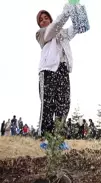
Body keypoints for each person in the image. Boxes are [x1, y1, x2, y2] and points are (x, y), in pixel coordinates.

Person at [36, 4, 79, 137]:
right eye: (41, 20)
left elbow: (79, 27)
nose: (43, 20)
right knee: (48, 104)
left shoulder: (62, 33)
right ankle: (45, 136)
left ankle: (59, 137)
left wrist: (77, 9)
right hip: (48, 71)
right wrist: (67, 11)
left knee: (64, 103)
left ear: (50, 18)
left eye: (46, 18)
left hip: (63, 70)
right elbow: (54, 28)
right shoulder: (41, 33)